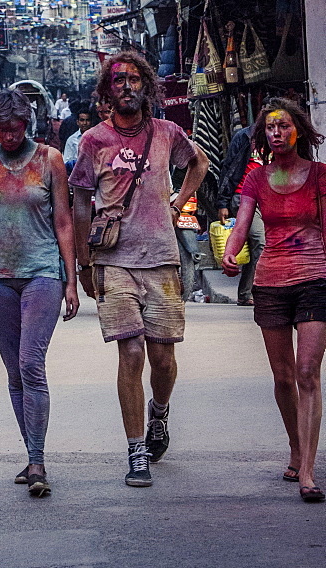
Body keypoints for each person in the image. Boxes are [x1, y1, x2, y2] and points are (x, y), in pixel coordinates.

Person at [71, 51, 208, 487]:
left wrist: (178, 201)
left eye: (133, 79)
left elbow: (199, 163)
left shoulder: (167, 132)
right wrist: (83, 262)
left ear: (145, 86)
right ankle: (136, 452)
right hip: (113, 261)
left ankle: (159, 414)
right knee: (130, 352)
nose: (126, 86)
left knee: (163, 359)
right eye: (118, 81)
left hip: (163, 260)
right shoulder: (94, 140)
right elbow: (79, 201)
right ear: (106, 91)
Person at [0, 89, 79, 498]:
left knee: (30, 363)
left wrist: (71, 279)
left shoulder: (49, 160)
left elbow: (63, 221)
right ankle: (31, 455)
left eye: (16, 128)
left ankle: (38, 460)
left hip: (43, 274)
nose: (9, 135)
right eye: (2, 129)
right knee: (13, 372)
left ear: (28, 124)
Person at [223, 98, 326, 502]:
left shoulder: (320, 176)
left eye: (283, 126)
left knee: (306, 373)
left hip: (316, 278)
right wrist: (232, 252)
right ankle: (296, 448)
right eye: (270, 128)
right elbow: (243, 222)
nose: (277, 133)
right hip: (270, 282)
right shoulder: (256, 179)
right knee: (283, 377)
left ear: (298, 129)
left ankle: (308, 472)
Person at [216, 122, 265, 305]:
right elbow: (228, 168)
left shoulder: (279, 140)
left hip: (268, 197)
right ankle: (264, 289)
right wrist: (222, 202)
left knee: (258, 248)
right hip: (242, 197)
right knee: (260, 242)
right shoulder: (244, 137)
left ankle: (245, 294)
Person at [63, 103, 91, 171]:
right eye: (82, 120)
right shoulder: (71, 140)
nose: (85, 123)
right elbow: (66, 161)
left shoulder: (97, 138)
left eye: (87, 120)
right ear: (77, 122)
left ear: (91, 122)